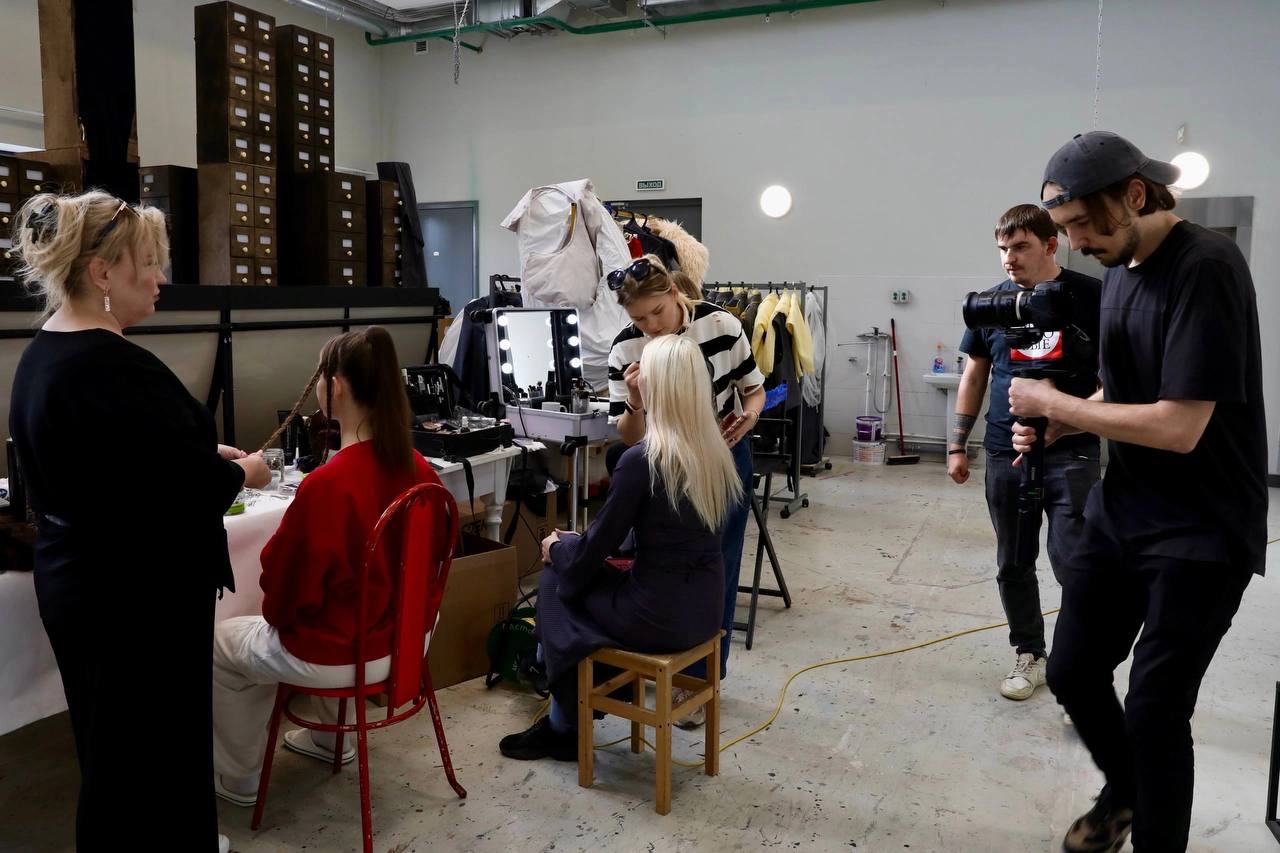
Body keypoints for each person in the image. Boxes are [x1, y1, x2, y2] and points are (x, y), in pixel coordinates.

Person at [1012, 131, 1266, 852]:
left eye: (1082, 224)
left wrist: (1056, 404)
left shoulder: (1207, 266)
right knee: (1072, 670)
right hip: (1123, 509)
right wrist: (1067, 421)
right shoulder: (1119, 268)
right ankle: (1125, 792)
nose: (1076, 242)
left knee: (1155, 708)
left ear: (1133, 194)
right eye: (1065, 229)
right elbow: (1123, 389)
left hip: (1202, 528)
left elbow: (1179, 426)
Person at [7, 191, 269, 853]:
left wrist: (195, 451)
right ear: (102, 273)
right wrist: (243, 473)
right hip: (136, 601)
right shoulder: (114, 366)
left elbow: (108, 466)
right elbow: (179, 492)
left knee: (112, 758)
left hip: (80, 585)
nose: (160, 279)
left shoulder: (45, 354)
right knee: (151, 763)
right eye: (147, 265)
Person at [211, 327, 446, 806]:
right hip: (408, 644)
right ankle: (328, 741)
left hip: (343, 654)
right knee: (339, 600)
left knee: (220, 643)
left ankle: (239, 779)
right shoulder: (421, 470)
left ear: (333, 387)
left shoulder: (328, 485)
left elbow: (285, 598)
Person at [499, 334, 744, 760]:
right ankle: (560, 677)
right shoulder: (716, 454)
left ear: (658, 386)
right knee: (575, 559)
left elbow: (590, 555)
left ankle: (563, 725)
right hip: (705, 610)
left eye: (643, 370)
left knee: (556, 580)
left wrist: (555, 547)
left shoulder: (643, 461)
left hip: (657, 617)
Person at [949, 204, 1102, 701]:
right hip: (1004, 451)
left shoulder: (1089, 297)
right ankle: (1030, 653)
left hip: (1073, 452)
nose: (1009, 258)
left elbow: (1119, 377)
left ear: (1050, 244)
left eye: (1020, 247)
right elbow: (975, 375)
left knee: (1074, 563)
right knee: (1013, 561)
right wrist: (957, 444)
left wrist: (1064, 421)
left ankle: (1079, 672)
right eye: (1002, 249)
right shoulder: (993, 304)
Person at [605, 255, 765, 726]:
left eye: (658, 311)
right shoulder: (625, 347)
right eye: (639, 319)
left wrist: (750, 417)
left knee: (719, 565)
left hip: (722, 454)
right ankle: (662, 661)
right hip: (661, 465)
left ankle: (701, 681)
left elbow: (754, 389)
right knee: (659, 565)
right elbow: (629, 436)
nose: (651, 326)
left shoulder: (721, 325)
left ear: (676, 292)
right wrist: (635, 401)